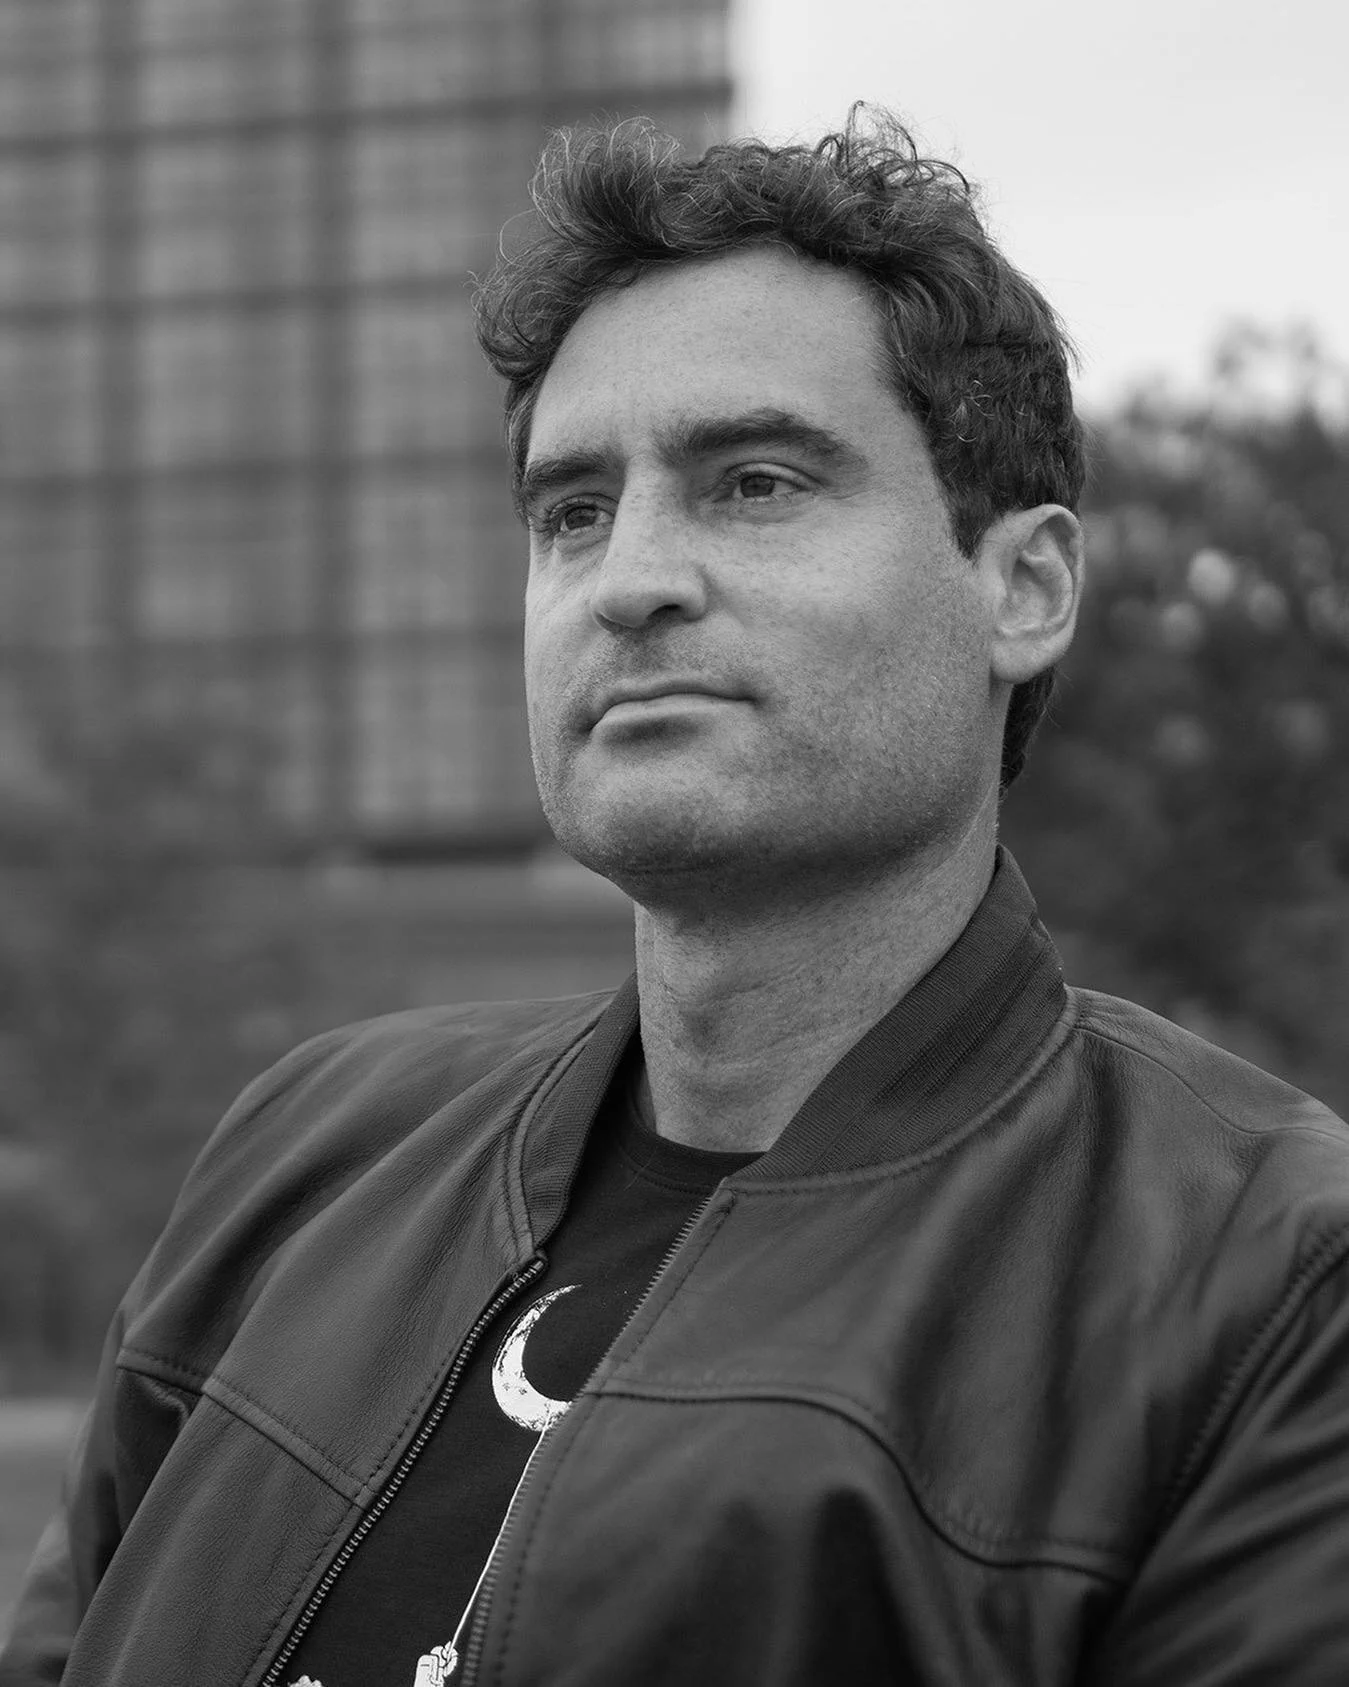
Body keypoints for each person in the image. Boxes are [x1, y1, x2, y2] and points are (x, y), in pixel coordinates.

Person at [5, 109, 1349, 1687]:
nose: (630, 579)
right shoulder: (312, 1148)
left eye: (756, 482)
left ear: (1024, 586)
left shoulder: (1265, 1281)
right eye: (572, 511)